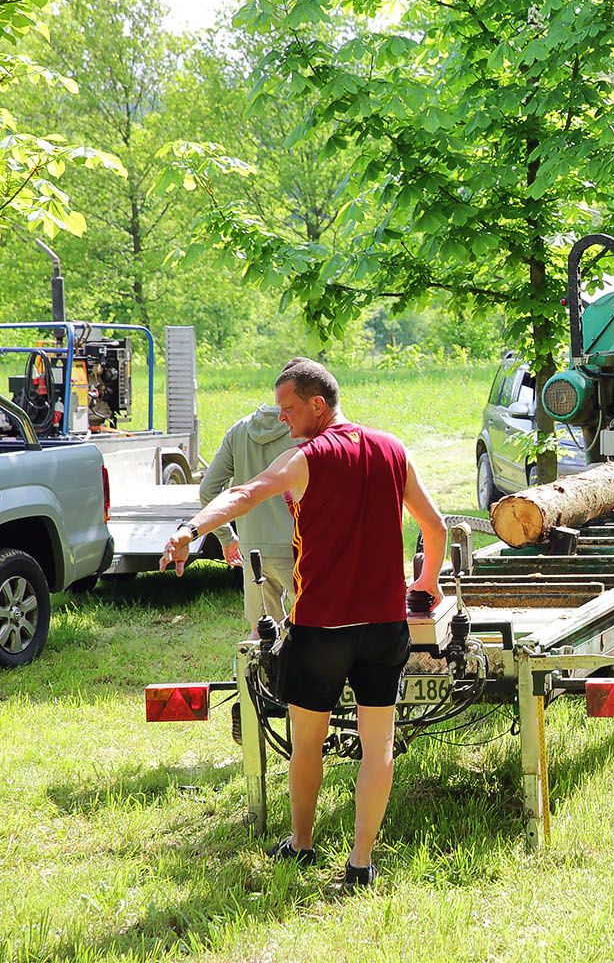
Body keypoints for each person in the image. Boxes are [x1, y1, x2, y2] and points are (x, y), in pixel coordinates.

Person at [160, 357, 446, 889]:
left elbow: (245, 493)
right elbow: (435, 527)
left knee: (306, 742)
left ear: (319, 404)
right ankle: (361, 863)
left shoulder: (307, 458)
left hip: (321, 628)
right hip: (384, 626)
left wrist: (189, 529)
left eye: (290, 409)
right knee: (377, 744)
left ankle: (302, 843)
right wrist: (425, 584)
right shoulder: (393, 450)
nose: (283, 420)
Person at [200, 404, 300, 630]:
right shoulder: (304, 430)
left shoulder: (239, 429)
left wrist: (226, 537)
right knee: (313, 629)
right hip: (297, 548)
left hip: (252, 549)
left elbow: (208, 490)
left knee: (259, 633)